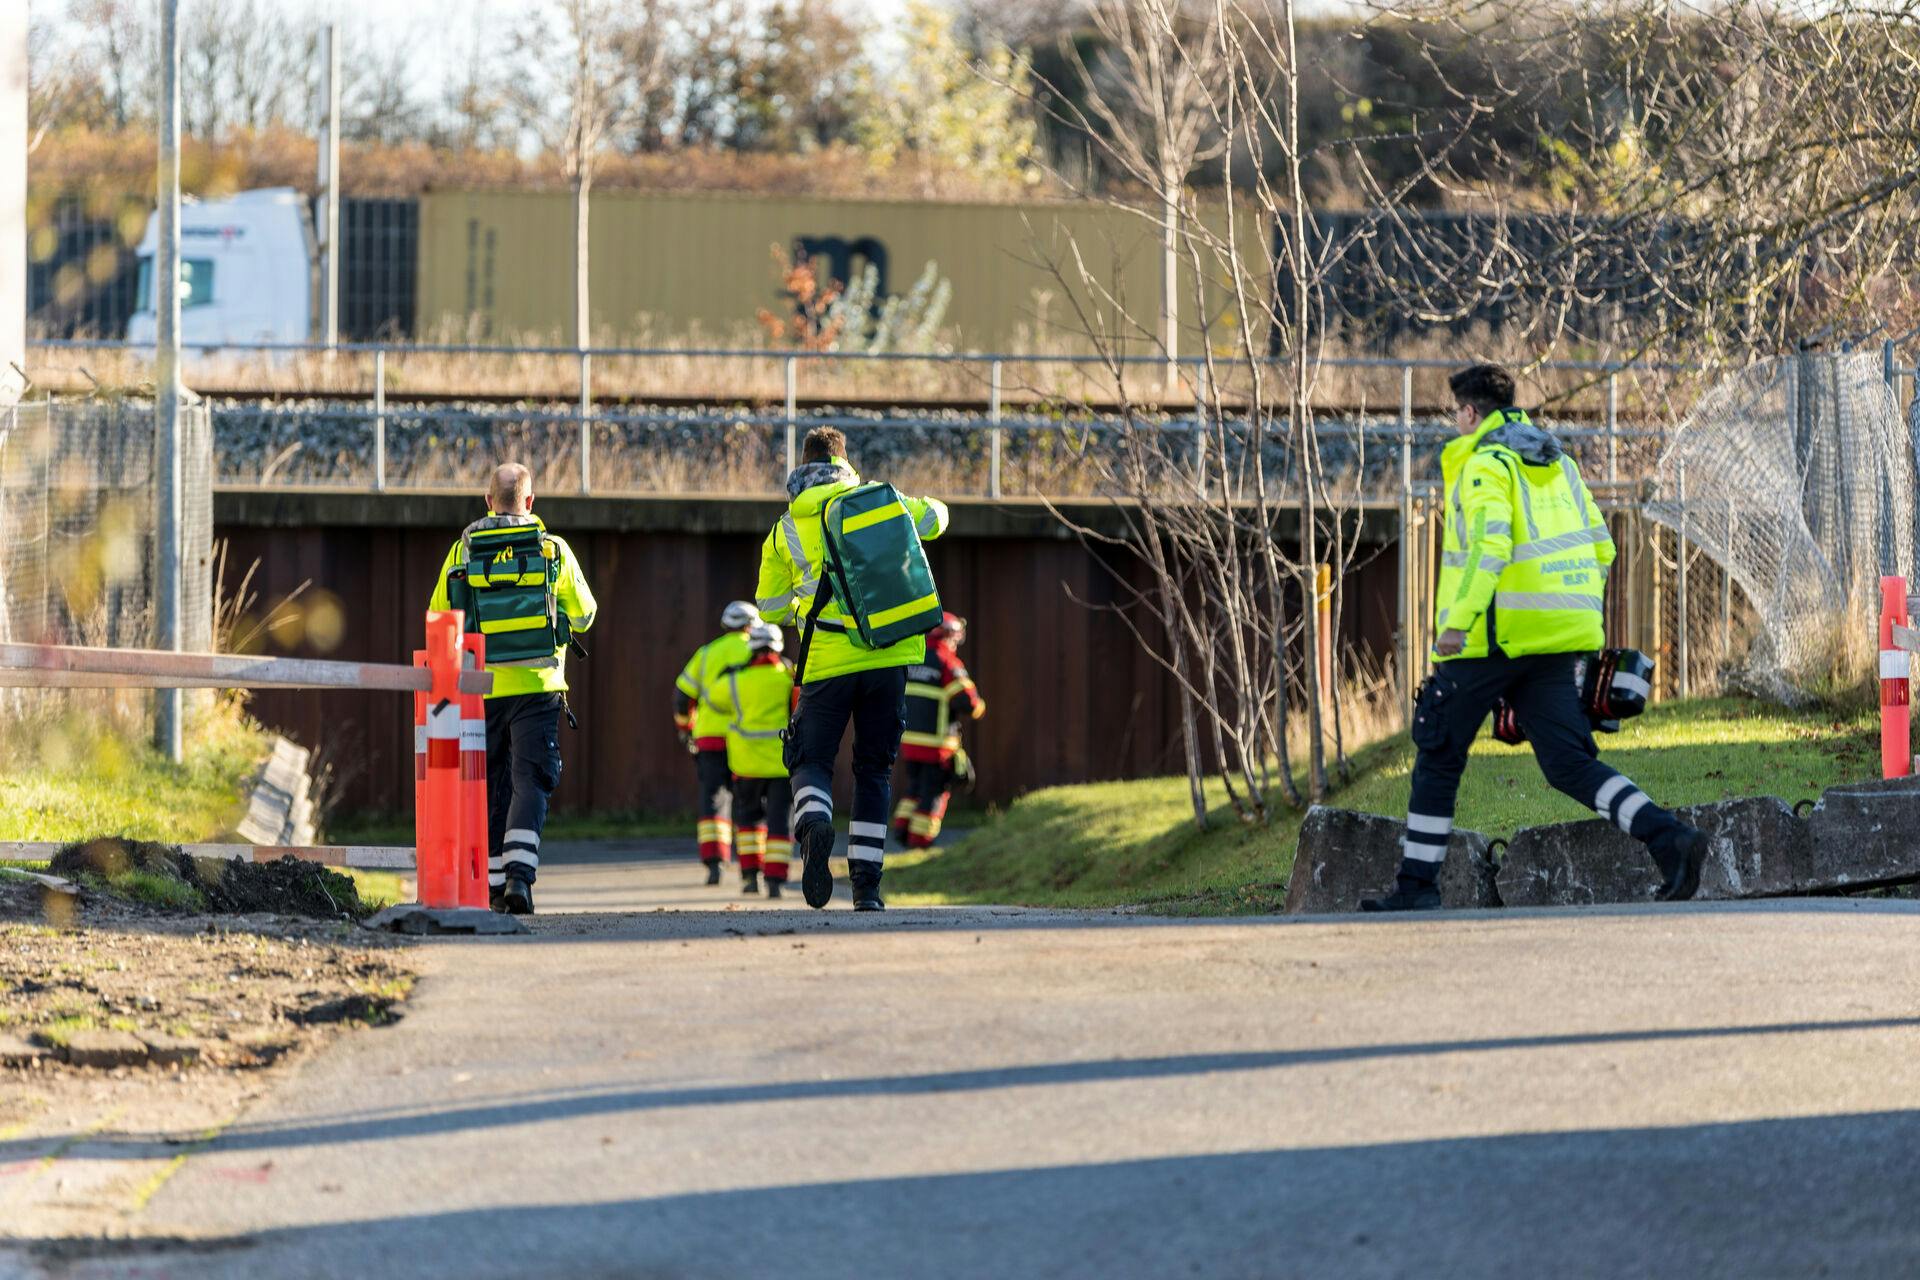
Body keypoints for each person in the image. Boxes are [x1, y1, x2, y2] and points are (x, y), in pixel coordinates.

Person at [1364, 364, 1707, 911]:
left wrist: (1459, 623)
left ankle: (1416, 889)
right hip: (1556, 641)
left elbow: (1490, 548)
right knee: (1568, 764)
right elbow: (1603, 549)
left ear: (1471, 413)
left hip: (1491, 642)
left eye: (1458, 413)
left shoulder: (1485, 465)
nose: (1455, 422)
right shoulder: (1557, 463)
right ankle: (1670, 839)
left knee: (1438, 752)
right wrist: (1566, 615)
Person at [755, 426, 949, 911]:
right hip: (891, 655)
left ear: (802, 466)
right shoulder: (882, 500)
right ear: (845, 461)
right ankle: (867, 888)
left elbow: (771, 609)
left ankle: (816, 823)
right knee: (874, 771)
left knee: (810, 760)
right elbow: (937, 520)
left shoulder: (785, 529)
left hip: (827, 661)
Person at [429, 461, 596, 915]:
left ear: (487, 502)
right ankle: (521, 878)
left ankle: (495, 885)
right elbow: (584, 615)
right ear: (530, 502)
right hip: (539, 685)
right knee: (531, 780)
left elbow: (441, 618)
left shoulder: (463, 552)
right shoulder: (552, 549)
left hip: (481, 688)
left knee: (492, 782)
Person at [703, 621, 797, 899]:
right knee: (780, 822)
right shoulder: (787, 678)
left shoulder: (734, 681)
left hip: (745, 765)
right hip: (781, 763)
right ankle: (776, 881)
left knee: (749, 820)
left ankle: (750, 877)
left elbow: (712, 698)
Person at [674, 601, 759, 885]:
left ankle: (715, 864)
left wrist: (686, 728)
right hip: (748, 738)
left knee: (714, 798)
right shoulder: (758, 651)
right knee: (750, 802)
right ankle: (752, 871)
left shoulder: (707, 653)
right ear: (752, 625)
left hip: (710, 737)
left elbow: (682, 695)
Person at [894, 611, 984, 849]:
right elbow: (969, 702)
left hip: (910, 742)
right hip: (937, 746)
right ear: (948, 635)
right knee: (934, 793)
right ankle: (920, 843)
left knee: (914, 788)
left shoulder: (913, 657)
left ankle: (901, 830)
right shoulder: (947, 662)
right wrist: (979, 707)